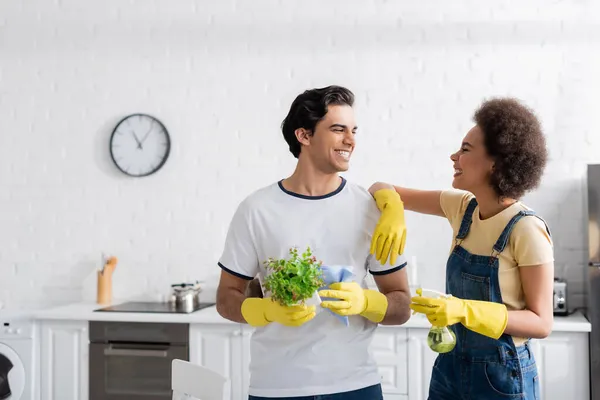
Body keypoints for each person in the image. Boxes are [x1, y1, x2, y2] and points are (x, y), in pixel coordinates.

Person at [215, 85, 411, 399]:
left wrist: (367, 303)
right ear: (304, 136)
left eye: (353, 130)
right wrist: (265, 311)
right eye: (338, 129)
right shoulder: (257, 209)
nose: (351, 140)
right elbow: (226, 298)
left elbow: (401, 305)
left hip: (355, 385)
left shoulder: (370, 209)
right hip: (275, 387)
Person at [369, 97, 554, 399]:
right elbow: (380, 187)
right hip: (450, 365)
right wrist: (391, 209)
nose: (454, 156)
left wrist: (463, 310)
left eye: (466, 150)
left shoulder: (526, 228)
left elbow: (541, 322)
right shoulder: (462, 207)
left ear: (496, 162)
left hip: (501, 373)